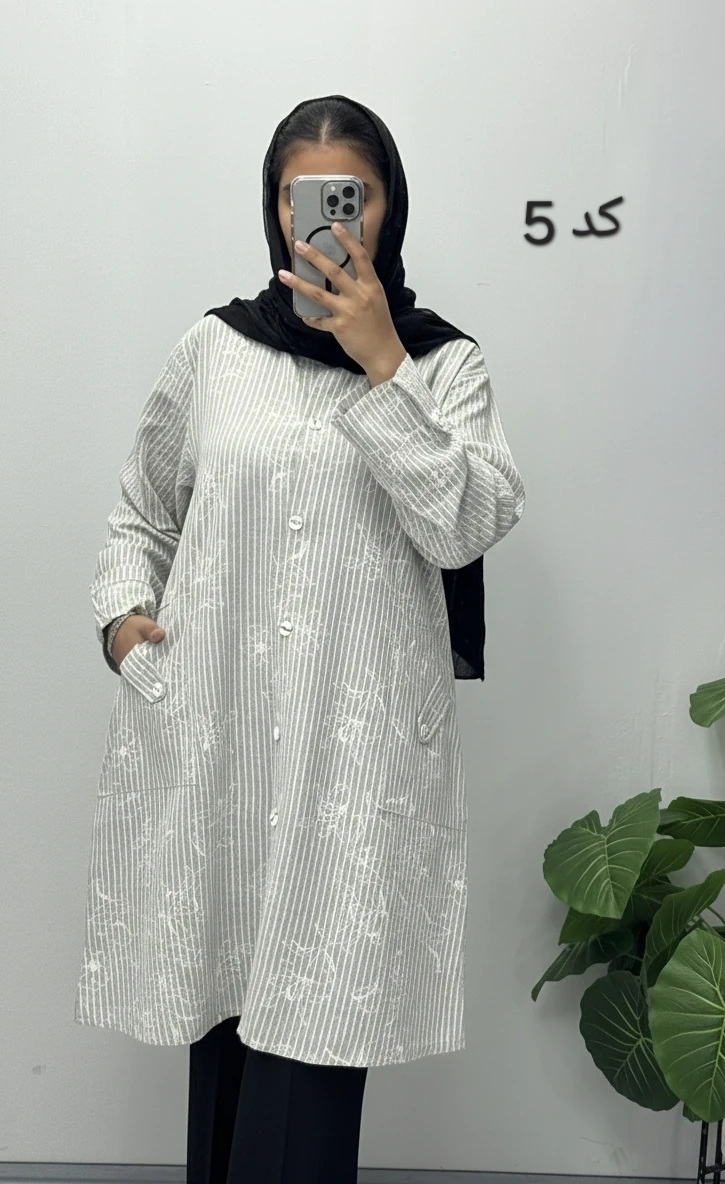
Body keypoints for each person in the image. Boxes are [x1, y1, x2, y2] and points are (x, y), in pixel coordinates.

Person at [74, 94, 526, 1183]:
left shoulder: (443, 364)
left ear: (388, 205)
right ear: (274, 209)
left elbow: (465, 524)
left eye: (349, 195)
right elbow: (142, 510)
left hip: (349, 755)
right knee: (224, 1016)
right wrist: (125, 626)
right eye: (302, 197)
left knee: (318, 1030)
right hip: (219, 733)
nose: (324, 219)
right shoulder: (216, 349)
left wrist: (383, 366)